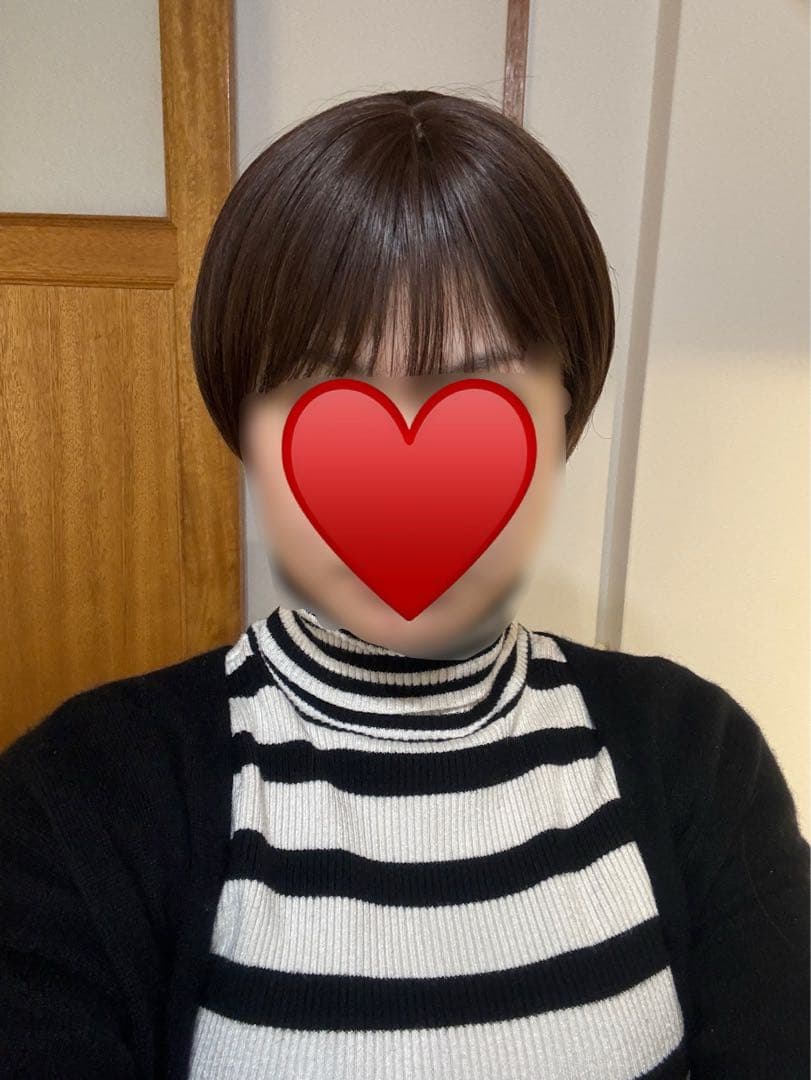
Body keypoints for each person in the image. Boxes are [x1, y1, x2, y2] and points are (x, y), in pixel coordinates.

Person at [1, 89, 807, 1079]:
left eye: (480, 388)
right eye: (324, 388)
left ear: (564, 415)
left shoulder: (698, 758)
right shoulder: (80, 799)